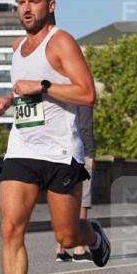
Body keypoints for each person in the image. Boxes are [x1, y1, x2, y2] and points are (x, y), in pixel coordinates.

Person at [0, 0, 111, 274]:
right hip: (22, 148)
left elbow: (86, 94)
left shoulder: (62, 43)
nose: (26, 8)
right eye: (21, 2)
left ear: (51, 6)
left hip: (61, 152)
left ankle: (93, 237)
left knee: (67, 237)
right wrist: (10, 99)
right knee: (10, 227)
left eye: (34, 1)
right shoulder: (17, 46)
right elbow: (27, 89)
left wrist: (41, 86)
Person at [55, 104, 95, 262]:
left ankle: (60, 248)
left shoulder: (56, 91)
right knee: (82, 200)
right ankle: (79, 248)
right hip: (78, 152)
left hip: (56, 151)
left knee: (62, 198)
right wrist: (90, 153)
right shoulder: (82, 91)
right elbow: (85, 125)